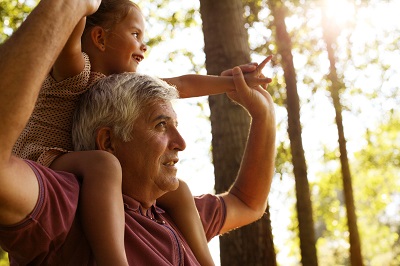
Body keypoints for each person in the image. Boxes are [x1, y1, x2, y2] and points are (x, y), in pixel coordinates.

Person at [11, 0, 271, 265]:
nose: (143, 45)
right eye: (135, 35)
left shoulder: (127, 90)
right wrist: (80, 6)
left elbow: (183, 84)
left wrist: (235, 83)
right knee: (105, 165)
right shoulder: (76, 71)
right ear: (100, 37)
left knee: (179, 190)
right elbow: (68, 30)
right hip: (44, 159)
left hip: (81, 162)